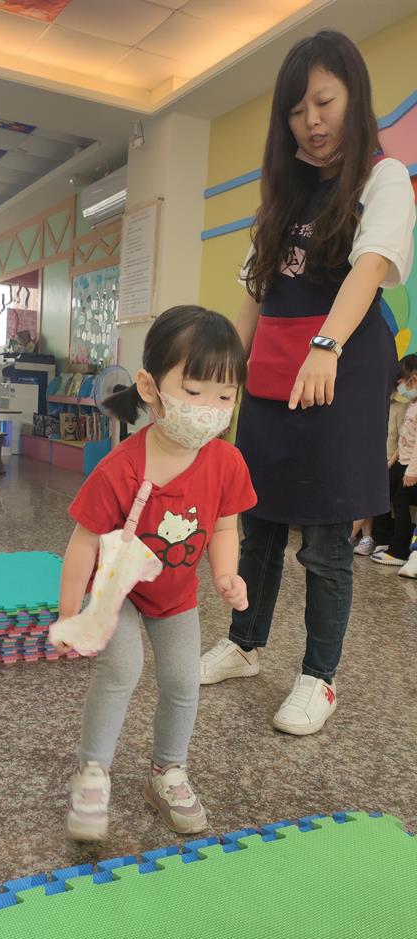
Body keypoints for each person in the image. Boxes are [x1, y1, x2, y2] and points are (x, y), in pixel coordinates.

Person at [200, 30, 415, 736]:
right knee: (257, 522)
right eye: (297, 110)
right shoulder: (285, 194)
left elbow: (372, 267)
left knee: (324, 541)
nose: (312, 121)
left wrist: (326, 345)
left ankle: (320, 679)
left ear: (354, 96)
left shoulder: (383, 178)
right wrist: (221, 380)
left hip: (339, 372)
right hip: (273, 372)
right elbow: (255, 293)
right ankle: (244, 643)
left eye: (324, 101)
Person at [53, 306, 256, 841]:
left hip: (176, 595)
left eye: (225, 396)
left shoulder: (226, 463)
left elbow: (225, 526)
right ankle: (92, 775)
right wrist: (70, 614)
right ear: (150, 388)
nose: (209, 409)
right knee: (122, 670)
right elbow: (82, 543)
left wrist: (227, 575)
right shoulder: (120, 468)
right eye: (193, 391)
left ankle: (167, 771)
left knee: (184, 680)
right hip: (116, 591)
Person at [350, 363, 411, 556]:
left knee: (371, 494)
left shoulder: (401, 408)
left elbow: (402, 440)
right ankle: (366, 536)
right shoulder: (371, 408)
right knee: (363, 493)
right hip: (370, 459)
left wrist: (389, 463)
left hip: (390, 461)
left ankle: (349, 536)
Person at [371, 355, 417, 566]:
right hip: (403, 462)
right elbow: (405, 439)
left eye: (402, 383)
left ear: (413, 380)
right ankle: (386, 541)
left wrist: (412, 471)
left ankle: (399, 551)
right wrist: (392, 462)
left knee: (400, 503)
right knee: (386, 494)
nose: (401, 389)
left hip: (411, 467)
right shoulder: (412, 404)